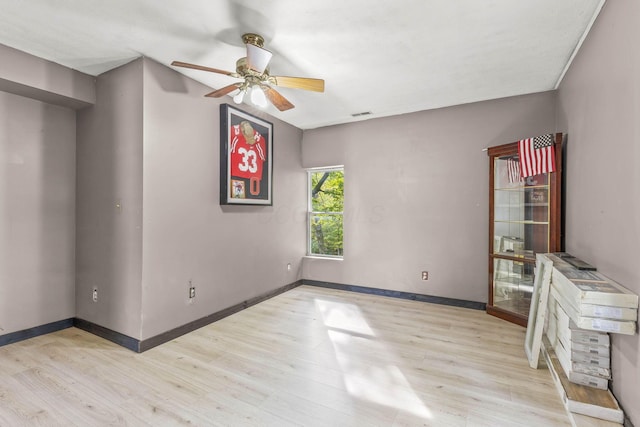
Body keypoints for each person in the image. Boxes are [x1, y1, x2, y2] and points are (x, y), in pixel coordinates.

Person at [229, 120, 267, 197]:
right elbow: (262, 157)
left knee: (237, 202)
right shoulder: (260, 138)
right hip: (253, 178)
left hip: (237, 175)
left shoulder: (232, 131)